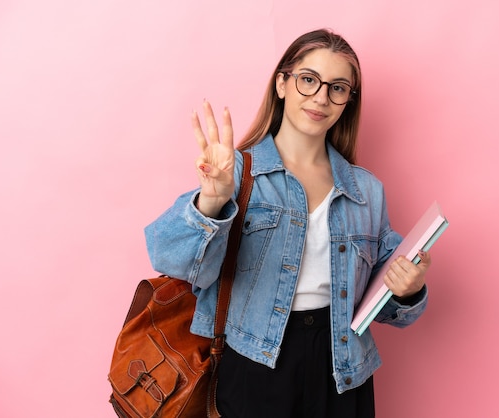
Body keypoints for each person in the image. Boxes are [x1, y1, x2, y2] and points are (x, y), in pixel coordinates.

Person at [145, 28, 432, 418]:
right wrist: (211, 201)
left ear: (348, 100)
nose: (320, 97)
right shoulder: (238, 173)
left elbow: (382, 304)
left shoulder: (367, 190)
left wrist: (408, 290)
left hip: (343, 368)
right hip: (255, 364)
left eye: (338, 87)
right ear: (282, 83)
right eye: (308, 80)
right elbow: (170, 257)